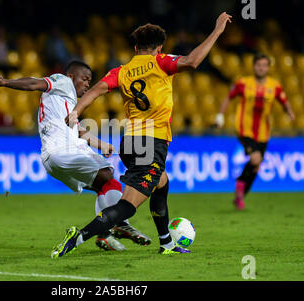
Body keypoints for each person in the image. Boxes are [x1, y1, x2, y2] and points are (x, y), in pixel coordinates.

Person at [52, 12, 233, 258]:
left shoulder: (122, 71)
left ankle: (167, 243)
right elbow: (192, 61)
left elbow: (94, 91)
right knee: (127, 207)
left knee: (162, 183)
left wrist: (76, 111)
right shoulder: (161, 62)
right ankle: (79, 235)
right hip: (152, 142)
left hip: (130, 141)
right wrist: (217, 31)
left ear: (136, 47)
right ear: (159, 48)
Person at [0, 61, 151, 252]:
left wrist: (101, 144)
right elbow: (33, 83)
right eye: (85, 79)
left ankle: (105, 235)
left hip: (51, 161)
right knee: (108, 176)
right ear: (72, 76)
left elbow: (80, 131)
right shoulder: (63, 81)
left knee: (102, 185)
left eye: (90, 80)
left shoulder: (63, 102)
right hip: (64, 151)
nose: (87, 84)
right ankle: (119, 224)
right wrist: (5, 82)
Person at [215, 53, 295, 210]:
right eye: (259, 65)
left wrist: (290, 112)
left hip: (264, 132)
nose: (261, 68)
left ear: (268, 67)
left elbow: (284, 101)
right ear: (254, 66)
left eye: (264, 65)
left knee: (256, 167)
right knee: (256, 158)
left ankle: (240, 195)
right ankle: (240, 183)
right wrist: (220, 116)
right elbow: (228, 98)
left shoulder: (275, 86)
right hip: (245, 129)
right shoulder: (243, 83)